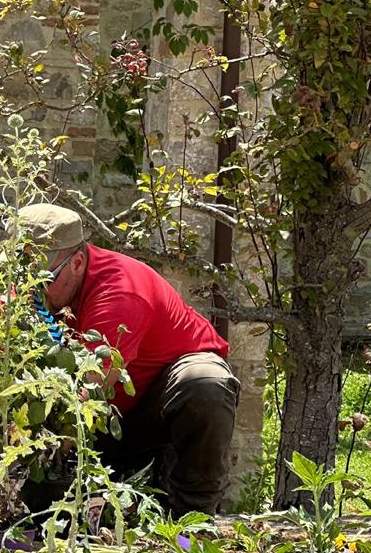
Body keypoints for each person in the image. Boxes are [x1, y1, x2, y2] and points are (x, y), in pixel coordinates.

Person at [17, 203, 240, 517]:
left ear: (77, 262)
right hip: (108, 419)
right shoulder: (22, 297)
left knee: (205, 382)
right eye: (22, 277)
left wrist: (48, 456)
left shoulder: (120, 291)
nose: (31, 292)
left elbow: (89, 395)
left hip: (154, 410)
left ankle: (193, 522)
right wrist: (6, 484)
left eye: (42, 280)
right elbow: (5, 395)